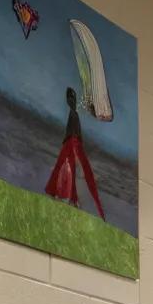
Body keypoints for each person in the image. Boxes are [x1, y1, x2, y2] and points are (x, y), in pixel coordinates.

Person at [45, 87, 106, 219]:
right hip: (71, 143)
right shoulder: (73, 114)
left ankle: (69, 198)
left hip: (71, 143)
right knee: (64, 170)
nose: (70, 101)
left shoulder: (74, 114)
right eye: (69, 99)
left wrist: (73, 146)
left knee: (65, 170)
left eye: (71, 99)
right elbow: (74, 133)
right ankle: (69, 198)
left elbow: (74, 133)